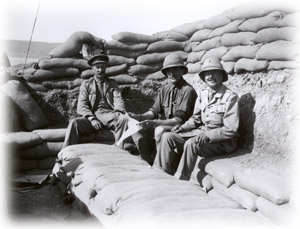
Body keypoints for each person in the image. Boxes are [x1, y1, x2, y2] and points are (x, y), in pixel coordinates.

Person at [154, 56, 240, 179]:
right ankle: (160, 174)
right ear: (204, 77)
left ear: (221, 76)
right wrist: (182, 128)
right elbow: (196, 119)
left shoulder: (230, 97)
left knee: (191, 144)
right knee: (168, 136)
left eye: (214, 72)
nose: (210, 76)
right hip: (202, 136)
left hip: (222, 143)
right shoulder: (203, 94)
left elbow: (231, 129)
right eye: (207, 74)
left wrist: (207, 135)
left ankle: (181, 179)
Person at [128, 53, 197, 165]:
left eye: (175, 69)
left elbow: (178, 120)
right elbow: (154, 111)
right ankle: (147, 161)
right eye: (169, 71)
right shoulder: (164, 89)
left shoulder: (187, 91)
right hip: (163, 123)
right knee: (136, 129)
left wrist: (154, 123)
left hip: (181, 128)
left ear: (182, 71)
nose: (172, 74)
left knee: (159, 130)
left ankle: (159, 164)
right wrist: (139, 117)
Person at [62, 50, 129, 148]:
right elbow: (82, 105)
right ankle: (65, 152)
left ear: (106, 68)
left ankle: (119, 149)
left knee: (123, 119)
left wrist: (119, 111)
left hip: (109, 116)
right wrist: (92, 119)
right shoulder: (86, 84)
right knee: (74, 123)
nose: (100, 70)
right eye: (97, 67)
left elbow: (118, 99)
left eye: (102, 67)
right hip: (93, 117)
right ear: (93, 69)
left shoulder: (112, 83)